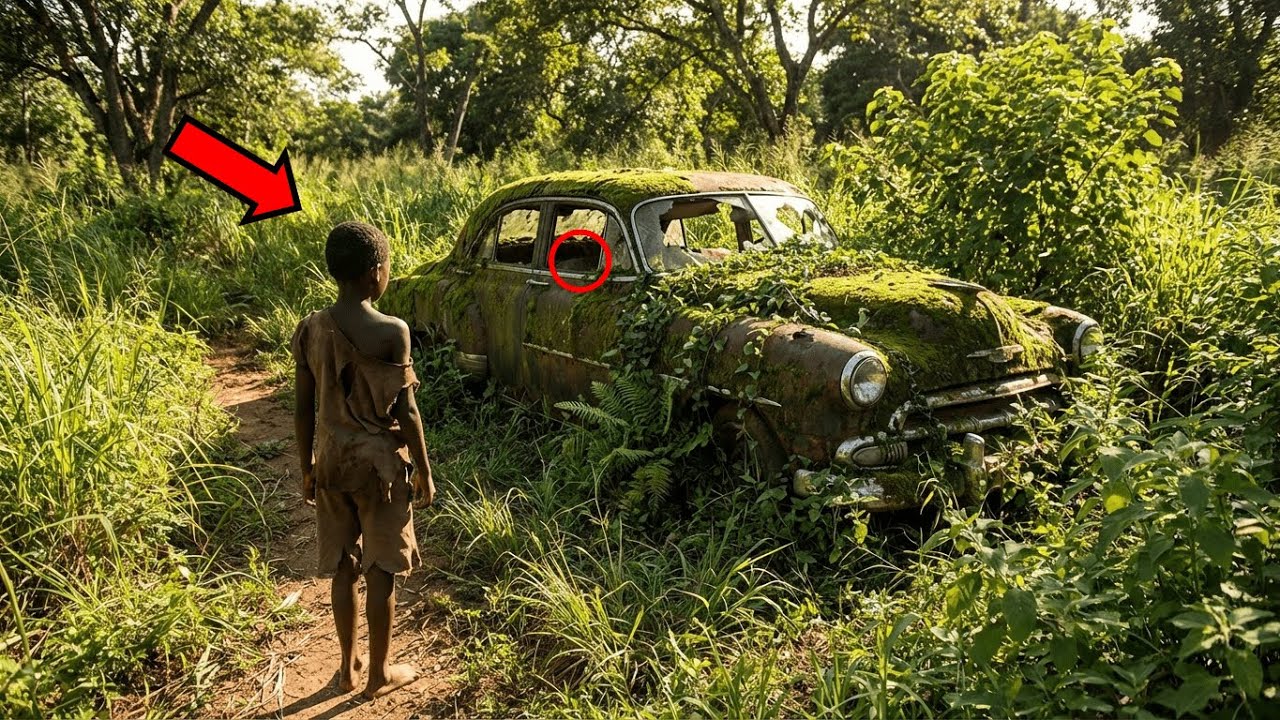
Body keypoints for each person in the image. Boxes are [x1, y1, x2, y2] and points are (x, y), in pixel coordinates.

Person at [291, 221, 436, 699]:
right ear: (376, 273)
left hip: (332, 463)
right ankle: (378, 674)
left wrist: (308, 467)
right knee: (381, 570)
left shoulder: (310, 328)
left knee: (342, 568)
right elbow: (407, 411)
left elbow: (303, 406)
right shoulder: (392, 332)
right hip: (382, 471)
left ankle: (347, 668)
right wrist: (426, 472)